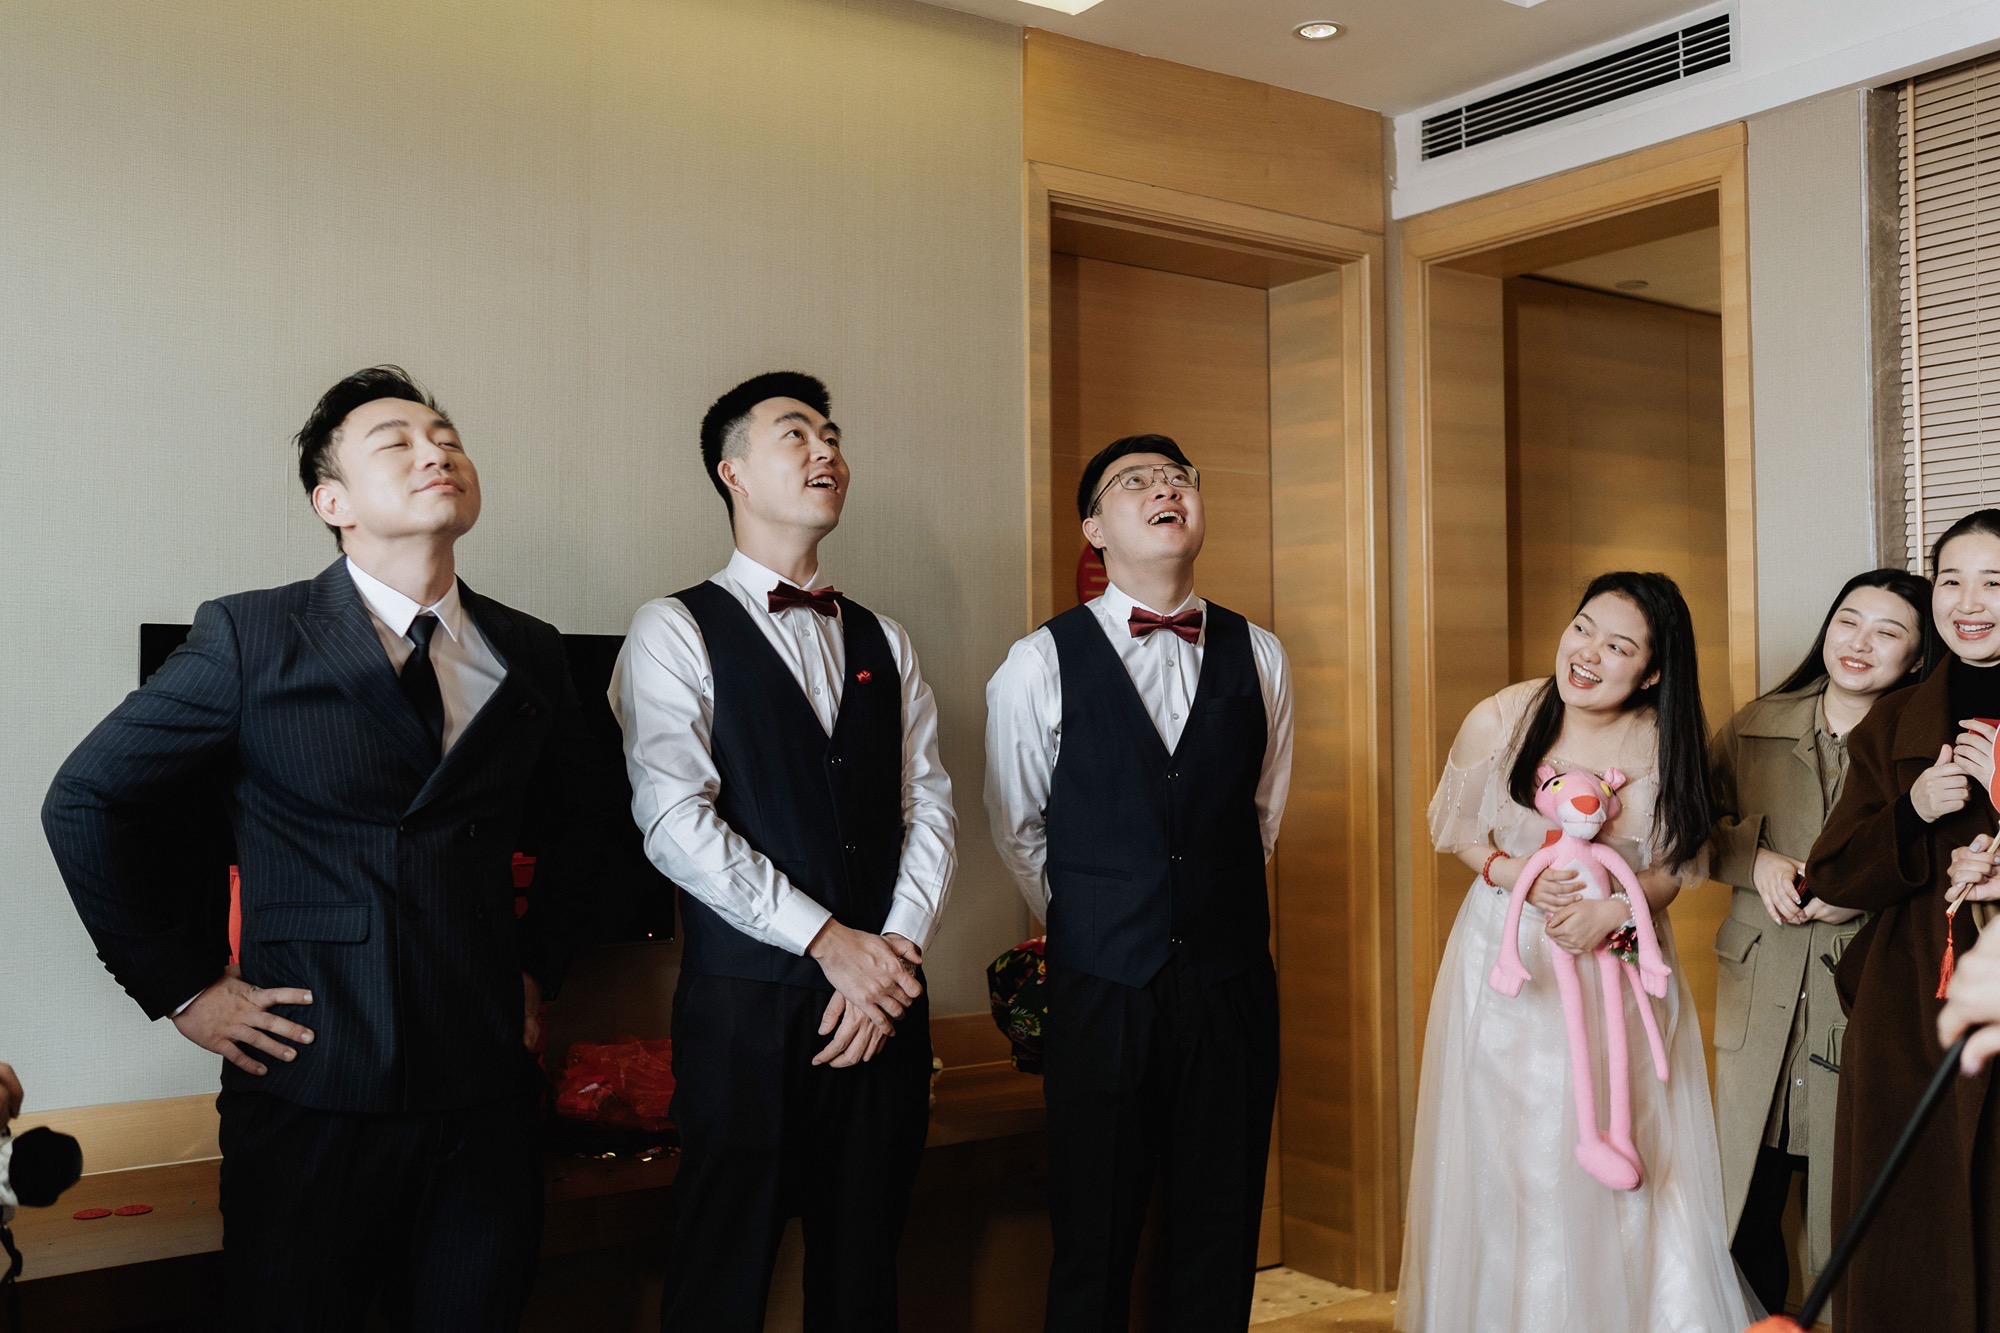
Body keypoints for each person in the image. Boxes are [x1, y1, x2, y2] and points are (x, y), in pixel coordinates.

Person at [41, 367, 615, 1330]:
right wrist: (183, 986)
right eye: (399, 441)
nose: (437, 451)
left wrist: (539, 966)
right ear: (332, 502)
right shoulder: (250, 634)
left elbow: (592, 819)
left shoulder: (530, 648)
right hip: (311, 1081)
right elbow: (87, 799)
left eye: (447, 437)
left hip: (484, 1090)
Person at [612, 371, 956, 1332]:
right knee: (721, 1278)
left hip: (886, 1006)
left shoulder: (887, 638)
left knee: (864, 1276)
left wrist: (889, 960)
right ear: (732, 472)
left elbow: (929, 805)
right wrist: (828, 942)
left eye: (833, 435)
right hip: (745, 1013)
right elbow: (674, 821)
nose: (826, 450)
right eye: (796, 433)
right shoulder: (672, 627)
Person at [984, 433, 1294, 1332]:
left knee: (1219, 1231)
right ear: (1094, 528)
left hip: (1231, 984)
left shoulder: (1260, 653)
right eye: (1135, 481)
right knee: (1094, 1236)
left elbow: (1261, 813)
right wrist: (1104, 916)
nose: (1164, 489)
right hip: (1102, 990)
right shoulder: (1038, 661)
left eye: (1177, 478)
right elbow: (1018, 827)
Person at [1398, 572, 1753, 1333]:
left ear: (1653, 672)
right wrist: (1516, 877)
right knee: (1510, 1146)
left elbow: (1677, 866)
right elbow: (1458, 832)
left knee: (1633, 1133)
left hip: (1617, 955)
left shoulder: (1667, 741)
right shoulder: (1503, 716)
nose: (1587, 653)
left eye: (1618, 645)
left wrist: (1613, 910)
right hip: (1508, 957)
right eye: (1583, 627)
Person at [1709, 568, 1935, 1313]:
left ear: (1918, 654)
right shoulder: (1755, 725)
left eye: (1888, 631)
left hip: (1860, 992)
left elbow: (1949, 857)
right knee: (1743, 1209)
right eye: (1848, 621)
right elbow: (1684, 826)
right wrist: (1756, 859)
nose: (1860, 643)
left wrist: (1860, 884)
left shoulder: (1927, 741)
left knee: (1847, 1218)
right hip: (1758, 994)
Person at [1808, 507, 2000, 1330]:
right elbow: (1832, 877)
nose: (1969, 601)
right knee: (1911, 1237)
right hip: (1907, 1008)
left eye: (1994, 582)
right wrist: (1912, 811)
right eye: (1951, 580)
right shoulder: (1894, 719)